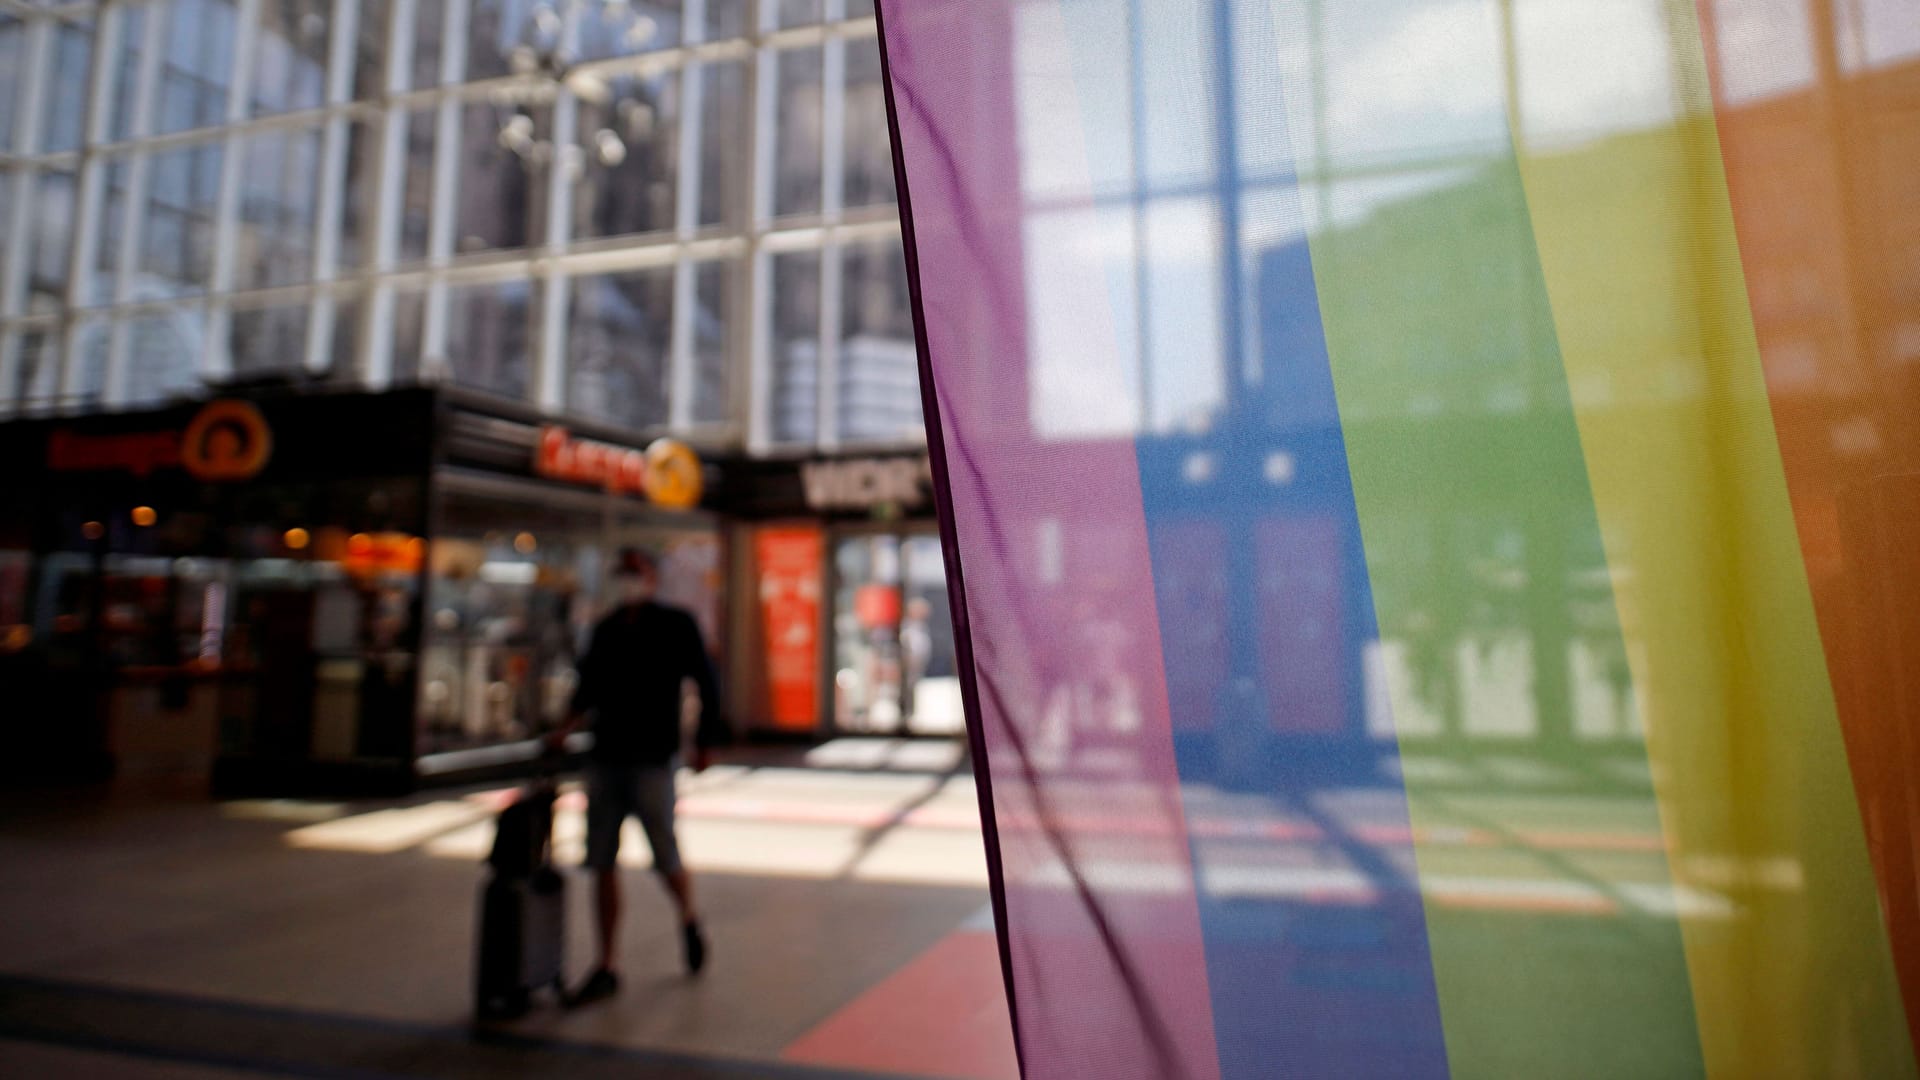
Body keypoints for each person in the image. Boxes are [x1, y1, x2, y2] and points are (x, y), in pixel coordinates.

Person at [545, 547, 726, 1001]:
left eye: (635, 573)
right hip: (606, 756)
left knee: (664, 854)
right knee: (601, 860)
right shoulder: (605, 629)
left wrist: (705, 740)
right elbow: (587, 686)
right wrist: (564, 729)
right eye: (622, 573)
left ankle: (687, 917)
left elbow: (706, 682)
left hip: (653, 758)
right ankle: (607, 962)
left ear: (651, 577)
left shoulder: (676, 625)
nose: (627, 581)